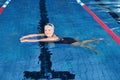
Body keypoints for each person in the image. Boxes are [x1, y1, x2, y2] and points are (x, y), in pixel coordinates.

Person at [20, 23, 103, 54]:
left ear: (52, 30)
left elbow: (38, 40)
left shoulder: (51, 39)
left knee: (82, 45)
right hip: (67, 39)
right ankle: (95, 39)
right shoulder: (48, 34)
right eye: (46, 30)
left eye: (49, 30)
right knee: (81, 42)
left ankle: (93, 49)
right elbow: (36, 35)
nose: (47, 32)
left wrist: (26, 40)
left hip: (69, 42)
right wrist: (24, 36)